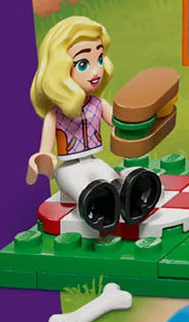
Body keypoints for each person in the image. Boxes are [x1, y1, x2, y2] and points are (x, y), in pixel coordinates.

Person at [27, 16, 163, 233]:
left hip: (94, 160)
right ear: (59, 70)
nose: (96, 71)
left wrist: (139, 125)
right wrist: (42, 161)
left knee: (113, 181)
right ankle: (99, 213)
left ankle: (134, 203)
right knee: (86, 189)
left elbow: (119, 125)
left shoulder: (98, 104)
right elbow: (45, 151)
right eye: (83, 64)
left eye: (99, 59)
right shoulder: (55, 115)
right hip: (68, 168)